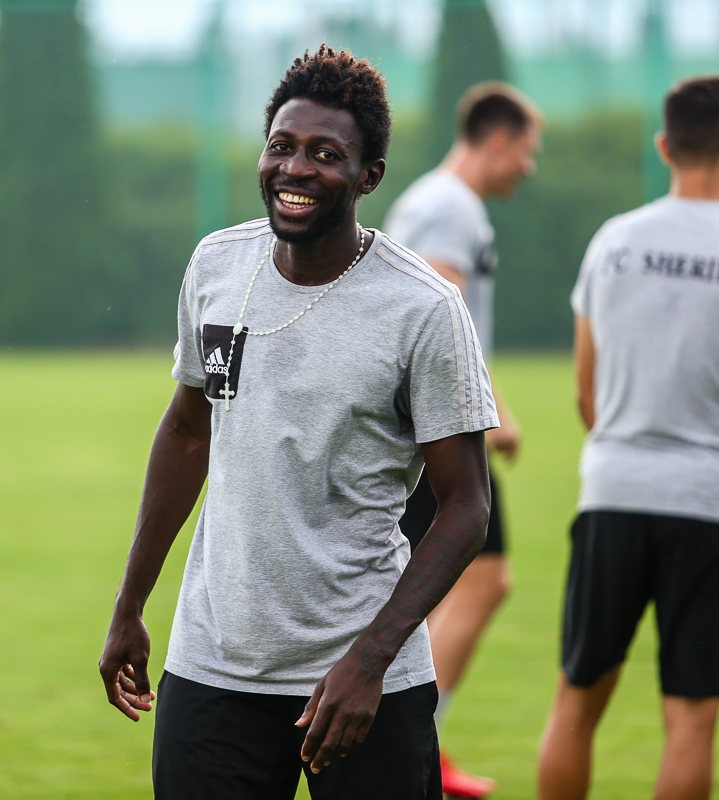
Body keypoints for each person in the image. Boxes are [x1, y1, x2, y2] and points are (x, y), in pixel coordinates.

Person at [98, 45, 498, 800]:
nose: (295, 169)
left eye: (325, 154)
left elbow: (467, 507)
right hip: (213, 667)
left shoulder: (423, 308)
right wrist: (130, 606)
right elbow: (187, 431)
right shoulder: (217, 267)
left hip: (362, 681)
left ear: (369, 176)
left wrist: (369, 661)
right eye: (281, 146)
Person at [537, 75, 719, 800]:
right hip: (711, 504)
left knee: (575, 703)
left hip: (613, 494)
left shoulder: (613, 243)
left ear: (664, 146)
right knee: (690, 722)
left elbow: (586, 394)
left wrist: (625, 451)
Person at [383, 81, 540, 799]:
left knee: (440, 583)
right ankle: (413, 740)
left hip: (418, 424)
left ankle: (420, 744)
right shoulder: (452, 207)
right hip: (436, 428)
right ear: (497, 140)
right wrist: (493, 411)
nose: (527, 168)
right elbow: (448, 314)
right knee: (482, 579)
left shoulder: (428, 198)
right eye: (526, 152)